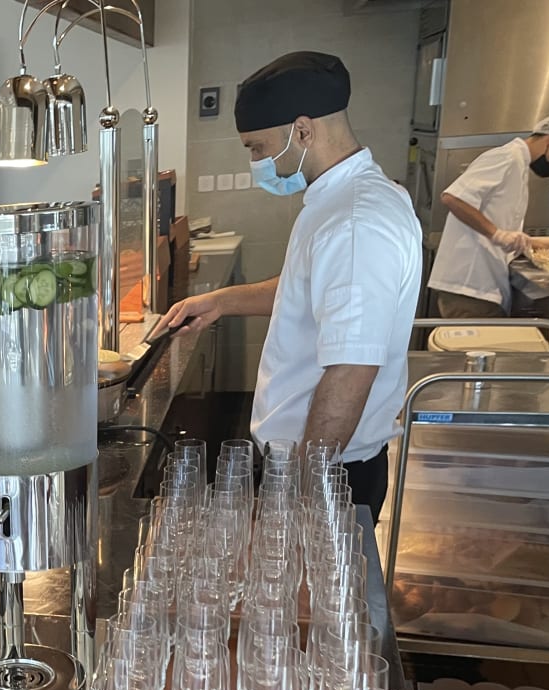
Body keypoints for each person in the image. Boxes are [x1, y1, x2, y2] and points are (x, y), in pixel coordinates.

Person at [154, 51, 421, 523]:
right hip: (312, 465)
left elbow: (351, 369)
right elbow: (310, 288)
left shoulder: (355, 221)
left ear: (302, 131)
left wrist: (295, 494)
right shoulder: (342, 199)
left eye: (257, 148)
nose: (257, 162)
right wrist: (221, 301)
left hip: (327, 474)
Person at [427, 114, 549, 318]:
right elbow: (452, 198)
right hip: (469, 287)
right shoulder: (506, 157)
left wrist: (526, 241)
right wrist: (496, 234)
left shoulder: (519, 165)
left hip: (482, 286)